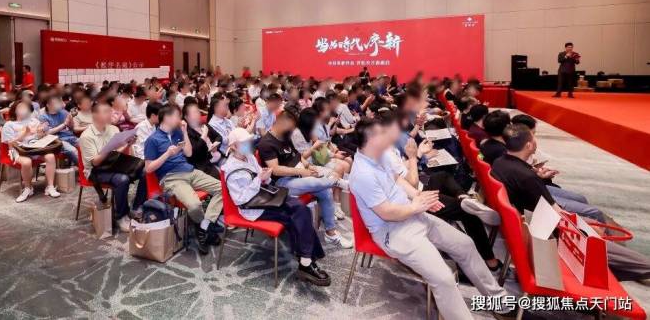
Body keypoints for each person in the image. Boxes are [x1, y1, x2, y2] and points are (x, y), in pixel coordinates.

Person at [349, 118, 514, 320]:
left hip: (412, 215)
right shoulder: (362, 174)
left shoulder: (379, 155)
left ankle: (499, 301)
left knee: (465, 245)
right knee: (443, 279)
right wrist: (415, 206)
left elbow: (397, 179)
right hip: (393, 231)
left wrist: (418, 196)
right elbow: (386, 212)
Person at [492, 124, 650, 282]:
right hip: (551, 233)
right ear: (529, 145)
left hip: (533, 223)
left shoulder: (500, 163)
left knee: (595, 224)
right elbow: (558, 215)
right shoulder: (528, 177)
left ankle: (624, 264)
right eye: (534, 138)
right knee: (628, 255)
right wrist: (585, 229)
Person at [223, 127, 330, 286]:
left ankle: (305, 261)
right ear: (233, 146)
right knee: (298, 212)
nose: (248, 145)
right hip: (253, 208)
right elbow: (240, 199)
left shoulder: (249, 157)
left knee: (300, 210)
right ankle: (306, 263)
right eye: (244, 143)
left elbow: (262, 178)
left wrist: (265, 176)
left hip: (264, 198)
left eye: (248, 141)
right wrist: (259, 180)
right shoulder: (231, 169)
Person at [257, 111, 352, 248]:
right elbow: (275, 170)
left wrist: (308, 166)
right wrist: (302, 171)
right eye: (290, 127)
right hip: (282, 183)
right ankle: (337, 182)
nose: (292, 131)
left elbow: (297, 156)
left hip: (298, 175)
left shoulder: (285, 137)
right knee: (315, 182)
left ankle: (331, 233)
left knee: (325, 192)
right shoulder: (266, 143)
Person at [144, 104, 224, 254]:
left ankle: (204, 227)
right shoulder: (152, 140)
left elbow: (188, 153)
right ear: (167, 118)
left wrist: (184, 132)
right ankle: (204, 228)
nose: (180, 119)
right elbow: (148, 168)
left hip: (189, 171)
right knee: (194, 205)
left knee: (223, 189)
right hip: (171, 178)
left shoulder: (177, 133)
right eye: (177, 116)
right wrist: (167, 154)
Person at [80, 102, 146, 231]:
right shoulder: (86, 136)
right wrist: (109, 149)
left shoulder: (113, 129)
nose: (111, 114)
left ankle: (136, 206)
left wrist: (127, 144)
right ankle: (121, 216)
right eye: (106, 111)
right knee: (122, 179)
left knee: (145, 171)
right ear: (95, 115)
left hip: (114, 162)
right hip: (95, 170)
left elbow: (118, 153)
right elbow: (95, 163)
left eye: (110, 111)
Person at [1, 100, 60, 202]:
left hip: (35, 148)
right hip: (17, 150)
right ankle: (28, 188)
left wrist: (42, 131)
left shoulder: (34, 121)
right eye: (20, 107)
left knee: (50, 156)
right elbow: (10, 143)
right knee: (26, 162)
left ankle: (50, 186)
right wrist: (25, 133)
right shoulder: (9, 124)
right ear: (14, 110)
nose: (23, 110)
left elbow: (40, 137)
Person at [183, 102, 222, 179]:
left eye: (198, 111)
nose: (198, 114)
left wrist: (215, 145)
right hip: (204, 165)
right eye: (194, 112)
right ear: (186, 117)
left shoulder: (204, 125)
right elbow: (195, 153)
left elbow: (219, 137)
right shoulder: (187, 133)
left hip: (218, 156)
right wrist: (204, 135)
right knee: (224, 175)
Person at [39, 95, 79, 167]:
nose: (58, 104)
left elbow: (71, 128)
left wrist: (71, 120)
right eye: (56, 103)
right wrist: (64, 124)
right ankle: (85, 170)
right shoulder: (43, 117)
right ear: (48, 105)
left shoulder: (64, 112)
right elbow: (48, 132)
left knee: (86, 144)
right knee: (73, 151)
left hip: (70, 137)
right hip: (57, 141)